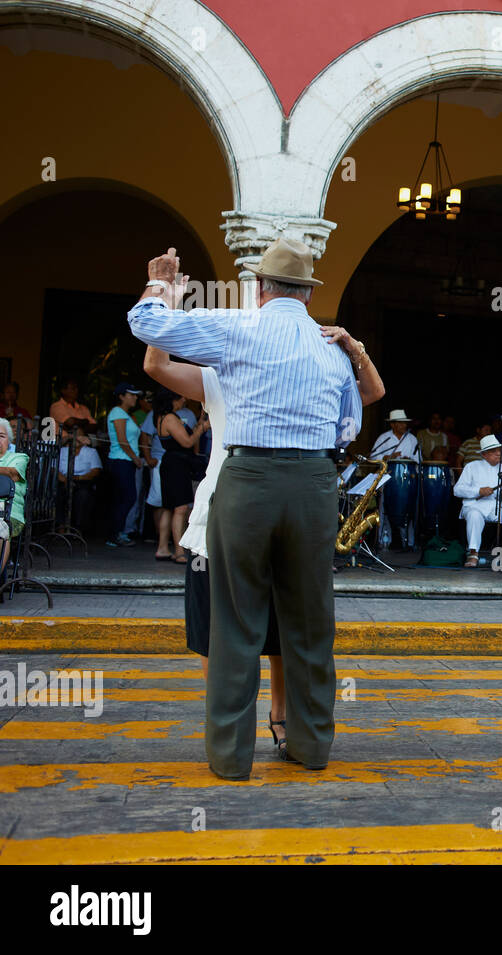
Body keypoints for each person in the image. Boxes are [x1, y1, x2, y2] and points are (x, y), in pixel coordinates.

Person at [128, 240, 362, 780]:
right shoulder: (331, 346)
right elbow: (349, 426)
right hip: (313, 481)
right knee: (310, 621)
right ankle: (311, 748)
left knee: (235, 619)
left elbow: (146, 323)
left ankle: (232, 758)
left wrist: (163, 285)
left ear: (260, 288)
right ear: (306, 293)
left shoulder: (237, 326)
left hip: (249, 477)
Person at [155, 386, 210, 563]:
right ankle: (179, 552)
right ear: (173, 399)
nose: (184, 400)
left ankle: (163, 548)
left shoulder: (164, 417)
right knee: (180, 508)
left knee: (168, 508)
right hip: (176, 466)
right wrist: (202, 429)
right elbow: (187, 442)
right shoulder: (170, 418)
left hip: (172, 464)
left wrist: (199, 424)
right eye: (181, 398)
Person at [454, 433, 502, 570]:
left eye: (499, 450)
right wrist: (478, 491)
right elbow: (457, 490)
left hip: (497, 507)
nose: (498, 454)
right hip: (475, 506)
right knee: (474, 515)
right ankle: (473, 553)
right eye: (493, 451)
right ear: (484, 454)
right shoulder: (471, 467)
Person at [105, 382, 150, 547]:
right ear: (121, 396)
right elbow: (122, 440)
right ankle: (114, 534)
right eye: (131, 394)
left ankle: (118, 533)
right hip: (120, 460)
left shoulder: (126, 414)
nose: (135, 397)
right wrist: (136, 458)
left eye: (135, 394)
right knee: (127, 497)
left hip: (126, 461)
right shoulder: (118, 412)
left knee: (125, 498)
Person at [0, 418, 28, 577]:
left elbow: (13, 474)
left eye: (1, 436)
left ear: (9, 440)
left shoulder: (19, 457)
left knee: (0, 528)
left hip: (9, 513)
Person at [57, 437, 101, 533]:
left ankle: (78, 527)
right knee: (59, 493)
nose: (77, 438)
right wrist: (65, 480)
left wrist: (77, 478)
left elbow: (95, 471)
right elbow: (54, 468)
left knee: (83, 495)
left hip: (82, 480)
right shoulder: (62, 451)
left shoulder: (91, 452)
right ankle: (61, 525)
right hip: (63, 480)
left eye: (81, 436)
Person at [49, 376, 95, 446]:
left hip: (84, 444)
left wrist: (79, 428)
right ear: (63, 391)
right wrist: (86, 421)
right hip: (63, 445)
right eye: (73, 388)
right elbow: (70, 422)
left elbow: (94, 426)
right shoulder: (56, 406)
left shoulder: (83, 408)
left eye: (77, 388)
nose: (76, 390)